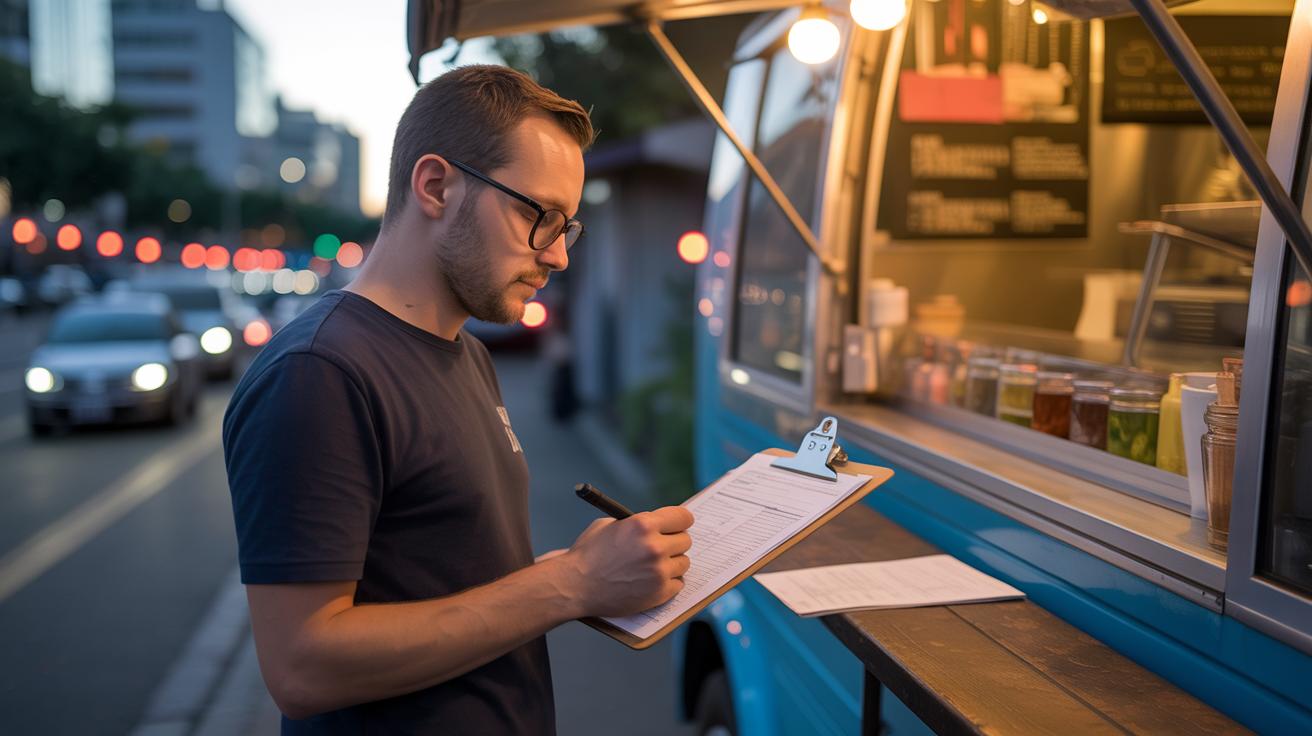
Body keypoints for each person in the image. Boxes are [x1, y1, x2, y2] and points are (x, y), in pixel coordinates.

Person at [222, 65, 694, 735]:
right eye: (539, 216)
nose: (558, 255)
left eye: (569, 227)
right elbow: (302, 666)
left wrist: (587, 569)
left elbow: (442, 577)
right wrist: (568, 586)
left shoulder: (465, 351)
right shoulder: (319, 374)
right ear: (436, 185)